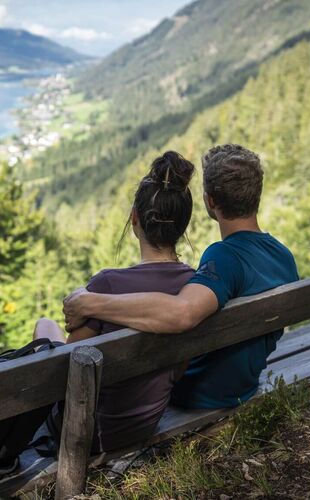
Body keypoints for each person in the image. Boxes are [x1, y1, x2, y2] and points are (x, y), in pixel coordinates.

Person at [63, 144, 299, 409]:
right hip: (244, 386)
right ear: (257, 194)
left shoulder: (224, 256)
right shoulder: (283, 255)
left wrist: (90, 303)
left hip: (200, 394)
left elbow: (182, 313)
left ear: (210, 201)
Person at [34, 151, 195, 453]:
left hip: (90, 433)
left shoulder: (105, 286)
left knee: (45, 325)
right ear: (183, 224)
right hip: (146, 421)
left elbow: (69, 369)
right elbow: (179, 370)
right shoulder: (193, 288)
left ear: (135, 219)